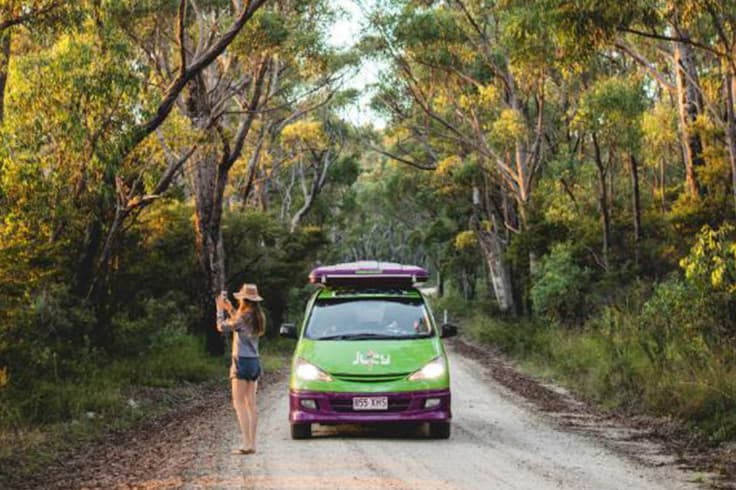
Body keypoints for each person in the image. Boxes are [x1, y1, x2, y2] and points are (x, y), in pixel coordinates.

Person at [215, 283, 266, 455]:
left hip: (241, 361)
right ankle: (252, 443)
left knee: (238, 403)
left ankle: (246, 444)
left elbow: (222, 327)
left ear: (244, 300)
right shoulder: (257, 316)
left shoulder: (243, 316)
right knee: (251, 404)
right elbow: (240, 325)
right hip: (254, 361)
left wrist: (219, 309)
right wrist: (230, 309)